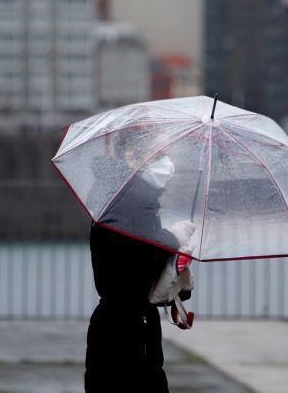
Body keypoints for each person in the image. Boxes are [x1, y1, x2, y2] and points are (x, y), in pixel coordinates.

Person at [84, 145, 191, 393]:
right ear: (132, 156)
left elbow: (140, 270)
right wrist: (172, 240)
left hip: (132, 326)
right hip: (125, 333)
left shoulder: (131, 199)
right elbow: (131, 269)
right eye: (159, 156)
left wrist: (177, 271)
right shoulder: (123, 202)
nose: (167, 164)